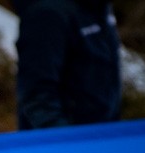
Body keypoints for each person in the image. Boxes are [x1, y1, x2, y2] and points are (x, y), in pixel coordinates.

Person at [15, 0, 122, 130]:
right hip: (63, 138)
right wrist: (66, 137)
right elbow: (37, 95)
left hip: (101, 135)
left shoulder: (99, 9)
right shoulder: (48, 14)